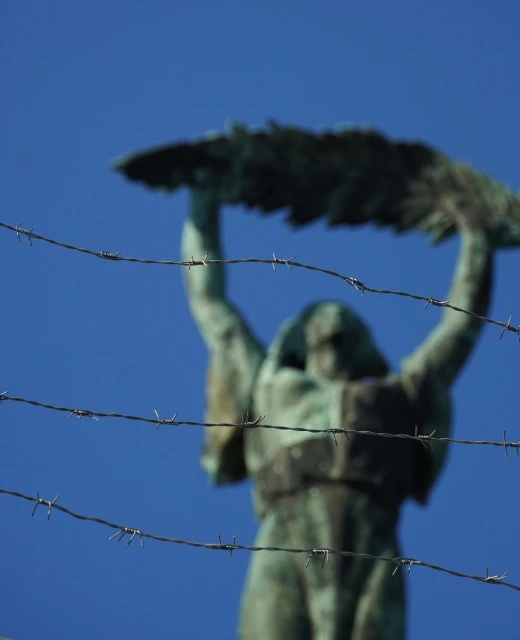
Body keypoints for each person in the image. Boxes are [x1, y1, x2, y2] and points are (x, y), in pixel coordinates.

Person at [182, 185, 494, 639]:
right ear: (300, 336)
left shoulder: (396, 396)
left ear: (366, 345)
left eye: (346, 314)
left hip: (373, 534)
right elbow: (209, 303)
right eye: (320, 313)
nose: (332, 315)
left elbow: (460, 327)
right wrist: (203, 201)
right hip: (286, 526)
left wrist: (476, 238)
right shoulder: (266, 383)